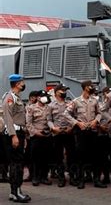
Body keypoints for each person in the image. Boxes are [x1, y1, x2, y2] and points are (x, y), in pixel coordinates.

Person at [64, 80, 106, 189]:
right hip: (81, 132)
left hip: (93, 131)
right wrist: (77, 123)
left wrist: (96, 121)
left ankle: (96, 179)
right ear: (85, 87)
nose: (92, 87)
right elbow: (66, 114)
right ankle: (81, 180)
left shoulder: (95, 101)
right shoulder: (76, 101)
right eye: (90, 86)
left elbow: (100, 113)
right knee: (81, 157)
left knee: (96, 156)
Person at [2, 74, 31, 202]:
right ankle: (16, 192)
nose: (23, 83)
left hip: (19, 133)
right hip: (14, 134)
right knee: (16, 164)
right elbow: (8, 118)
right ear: (17, 83)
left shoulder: (16, 97)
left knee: (16, 163)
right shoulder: (10, 97)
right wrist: (13, 136)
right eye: (22, 81)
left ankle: (14, 192)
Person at [48, 84, 76, 187]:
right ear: (56, 93)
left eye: (65, 90)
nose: (64, 92)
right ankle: (61, 178)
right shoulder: (51, 105)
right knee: (58, 156)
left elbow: (74, 117)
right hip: (57, 133)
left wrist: (72, 127)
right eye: (62, 91)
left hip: (69, 133)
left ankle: (72, 177)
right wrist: (53, 128)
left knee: (71, 156)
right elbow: (49, 120)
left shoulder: (70, 104)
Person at [26, 90, 53, 186]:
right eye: (43, 96)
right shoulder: (31, 108)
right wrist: (36, 132)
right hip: (36, 136)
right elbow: (28, 124)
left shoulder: (48, 108)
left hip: (47, 135)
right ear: (38, 98)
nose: (46, 98)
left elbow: (50, 120)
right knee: (36, 158)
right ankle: (35, 177)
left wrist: (51, 129)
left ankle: (44, 177)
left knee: (46, 157)